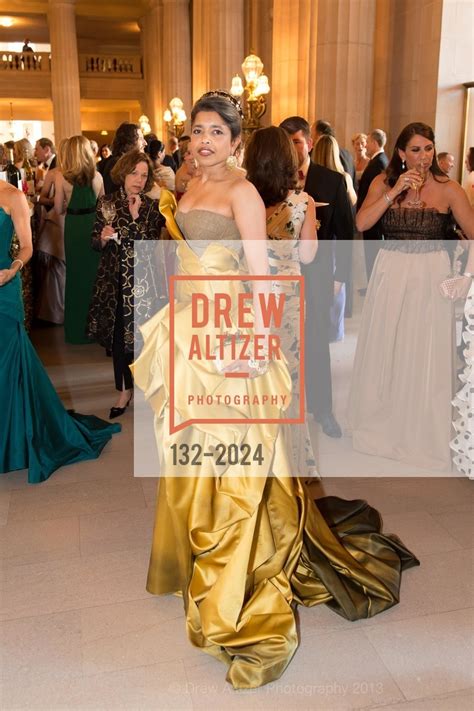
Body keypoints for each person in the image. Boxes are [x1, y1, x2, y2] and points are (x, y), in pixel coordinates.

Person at [132, 91, 418, 691]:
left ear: (236, 141)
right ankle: (200, 560)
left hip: (232, 335)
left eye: (215, 133)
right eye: (195, 133)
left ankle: (238, 585)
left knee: (237, 470)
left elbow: (261, 276)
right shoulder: (186, 186)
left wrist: (254, 350)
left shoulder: (240, 192)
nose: (202, 142)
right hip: (192, 332)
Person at [350, 121, 474, 471]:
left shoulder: (449, 189)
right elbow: (361, 224)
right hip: (390, 271)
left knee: (424, 350)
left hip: (431, 272)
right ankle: (383, 424)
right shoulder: (382, 183)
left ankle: (421, 431)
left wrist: (466, 275)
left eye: (429, 149)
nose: (423, 157)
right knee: (387, 347)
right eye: (415, 150)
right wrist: (394, 193)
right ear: (401, 154)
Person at [0, 179, 120, 483]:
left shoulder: (12, 196)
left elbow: (27, 247)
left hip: (3, 287)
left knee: (9, 365)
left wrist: (13, 268)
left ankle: (15, 441)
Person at [244, 125, 318, 477]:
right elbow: (308, 255)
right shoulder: (303, 202)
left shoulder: (242, 198)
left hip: (248, 296)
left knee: (253, 380)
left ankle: (253, 461)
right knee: (287, 381)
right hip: (286, 299)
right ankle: (289, 464)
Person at [279, 115, 354, 437]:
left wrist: (341, 277)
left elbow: (346, 235)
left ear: (309, 142)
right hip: (279, 274)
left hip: (318, 273)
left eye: (297, 141)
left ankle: (323, 410)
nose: (293, 149)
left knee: (317, 341)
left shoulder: (331, 180)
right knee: (280, 342)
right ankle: (282, 408)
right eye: (287, 143)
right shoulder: (271, 180)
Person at [87, 150, 164, 418]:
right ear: (123, 173)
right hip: (114, 282)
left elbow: (149, 242)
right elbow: (94, 242)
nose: (139, 180)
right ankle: (124, 390)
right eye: (134, 173)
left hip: (144, 282)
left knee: (145, 338)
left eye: (144, 175)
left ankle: (147, 390)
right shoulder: (106, 203)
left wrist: (129, 225)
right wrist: (104, 238)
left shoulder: (153, 207)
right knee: (120, 339)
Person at [54, 135, 104, 344]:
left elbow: (58, 209)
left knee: (75, 276)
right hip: (93, 226)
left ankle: (76, 331)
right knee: (95, 277)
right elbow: (103, 208)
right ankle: (97, 329)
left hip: (74, 227)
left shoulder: (61, 177)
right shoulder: (97, 176)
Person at [313, 134, 357, 343]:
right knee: (336, 286)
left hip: (322, 237)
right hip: (335, 238)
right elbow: (352, 205)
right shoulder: (344, 177)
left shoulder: (316, 179)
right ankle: (334, 330)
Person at [357, 128, 389, 282]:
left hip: (374, 219)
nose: (365, 146)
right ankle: (372, 284)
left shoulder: (379, 163)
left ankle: (374, 285)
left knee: (373, 255)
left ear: (375, 143)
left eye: (368, 142)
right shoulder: (377, 161)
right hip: (370, 216)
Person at [100, 122, 146, 195]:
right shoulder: (116, 164)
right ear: (129, 142)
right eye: (140, 139)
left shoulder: (123, 161)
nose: (145, 143)